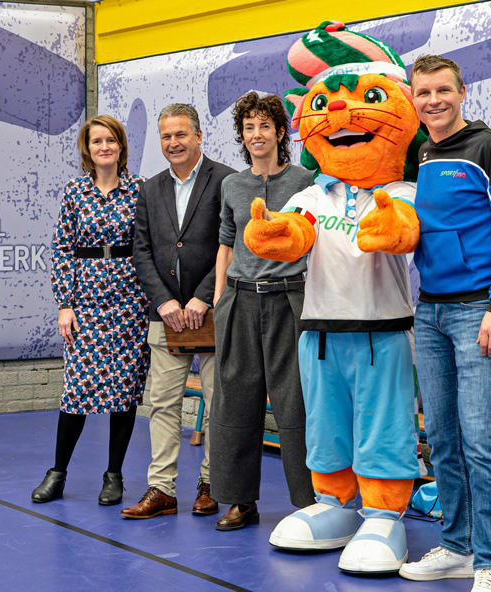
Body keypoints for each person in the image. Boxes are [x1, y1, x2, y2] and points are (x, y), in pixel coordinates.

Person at [398, 55, 491, 592]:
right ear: (413, 98)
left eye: (443, 90)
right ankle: (457, 547)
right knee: (443, 438)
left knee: (481, 440)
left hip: (480, 311)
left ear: (461, 92)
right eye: (423, 92)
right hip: (430, 310)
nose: (433, 100)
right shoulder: (424, 153)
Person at [207, 92, 316, 530]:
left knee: (296, 403)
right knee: (234, 401)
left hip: (290, 299)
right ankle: (240, 501)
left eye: (264, 126)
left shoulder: (305, 181)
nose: (256, 134)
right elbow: (225, 243)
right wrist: (220, 299)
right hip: (240, 301)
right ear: (242, 135)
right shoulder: (232, 186)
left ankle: (310, 501)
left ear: (280, 132)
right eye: (248, 127)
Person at [122, 104, 233, 519]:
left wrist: (204, 297)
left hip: (215, 311)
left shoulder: (226, 181)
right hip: (164, 316)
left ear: (199, 136)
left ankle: (211, 484)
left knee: (218, 403)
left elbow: (232, 244)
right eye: (166, 136)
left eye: (181, 134)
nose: (173, 143)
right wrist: (163, 301)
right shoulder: (149, 189)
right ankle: (161, 490)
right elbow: (141, 250)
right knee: (163, 404)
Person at [32, 114, 148, 506]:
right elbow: (63, 247)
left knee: (125, 390)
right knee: (76, 390)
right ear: (88, 148)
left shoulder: (140, 189)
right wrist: (65, 304)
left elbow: (149, 245)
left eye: (111, 140)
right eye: (97, 141)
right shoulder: (75, 191)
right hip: (86, 302)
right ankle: (57, 472)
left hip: (130, 301)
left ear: (121, 146)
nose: (104, 147)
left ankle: (114, 475)